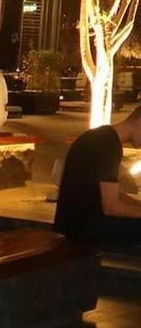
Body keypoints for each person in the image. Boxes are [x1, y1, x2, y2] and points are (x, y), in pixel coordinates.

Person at [53, 105, 141, 247]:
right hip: (83, 227)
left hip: (75, 222)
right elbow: (111, 207)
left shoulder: (101, 137)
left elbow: (113, 194)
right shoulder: (107, 145)